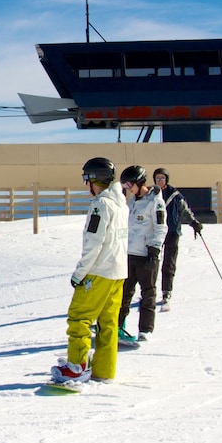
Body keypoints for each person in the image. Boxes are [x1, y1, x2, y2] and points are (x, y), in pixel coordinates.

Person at [51, 157, 129, 384]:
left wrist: (79, 274)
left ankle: (76, 367)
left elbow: (94, 242)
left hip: (98, 272)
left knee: (79, 318)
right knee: (108, 323)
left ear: (95, 179)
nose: (86, 186)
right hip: (118, 273)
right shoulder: (121, 204)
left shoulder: (100, 205)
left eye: (87, 180)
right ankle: (105, 370)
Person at [118, 165, 168, 343]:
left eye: (129, 184)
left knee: (148, 293)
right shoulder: (132, 202)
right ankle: (117, 327)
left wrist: (154, 248)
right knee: (123, 292)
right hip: (130, 253)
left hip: (147, 255)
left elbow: (161, 227)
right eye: (125, 186)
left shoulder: (155, 201)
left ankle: (145, 330)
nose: (127, 189)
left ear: (140, 182)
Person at [152, 168, 203, 305]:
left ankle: (166, 291)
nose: (160, 181)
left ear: (166, 180)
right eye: (157, 178)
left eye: (162, 178)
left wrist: (193, 222)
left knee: (169, 262)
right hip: (155, 232)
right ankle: (149, 291)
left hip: (172, 231)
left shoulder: (175, 195)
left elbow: (185, 211)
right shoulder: (152, 195)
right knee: (151, 262)